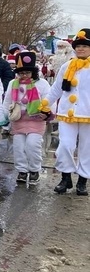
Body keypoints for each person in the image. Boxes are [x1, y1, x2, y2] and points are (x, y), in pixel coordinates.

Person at [46, 28, 90, 195]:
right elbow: (56, 89)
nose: (81, 49)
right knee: (65, 145)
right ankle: (65, 178)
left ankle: (83, 181)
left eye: (85, 46)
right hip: (67, 113)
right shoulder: (67, 66)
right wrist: (45, 105)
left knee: (87, 149)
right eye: (78, 46)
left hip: (88, 114)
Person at [3, 51, 52, 185]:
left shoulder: (42, 84)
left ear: (33, 72)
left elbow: (49, 100)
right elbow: (7, 101)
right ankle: (22, 171)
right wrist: (6, 116)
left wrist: (47, 113)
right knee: (19, 147)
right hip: (18, 120)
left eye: (27, 73)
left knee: (32, 145)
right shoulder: (13, 83)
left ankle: (35, 169)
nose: (24, 75)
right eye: (21, 73)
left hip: (36, 120)